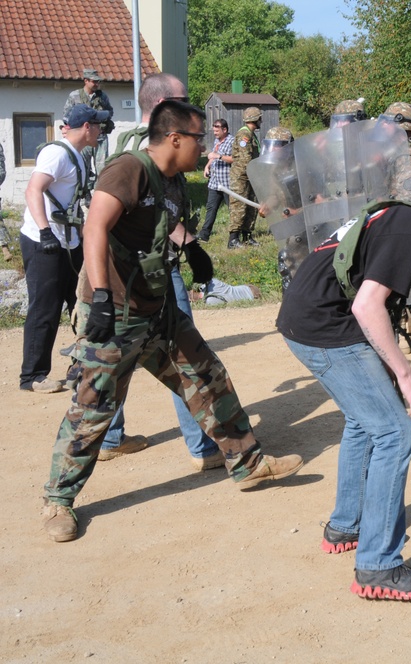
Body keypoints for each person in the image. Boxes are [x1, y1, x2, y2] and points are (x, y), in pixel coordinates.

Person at [40, 100, 303, 543]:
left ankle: (248, 463)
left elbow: (164, 223)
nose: (204, 149)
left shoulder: (173, 180)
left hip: (158, 310)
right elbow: (96, 229)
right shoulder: (129, 169)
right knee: (93, 407)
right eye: (199, 139)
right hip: (116, 314)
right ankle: (57, 501)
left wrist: (192, 246)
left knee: (208, 376)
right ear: (174, 137)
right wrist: (101, 297)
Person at [277, 144, 411, 600]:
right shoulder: (409, 225)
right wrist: (405, 374)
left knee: (363, 421)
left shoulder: (401, 216)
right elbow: (368, 305)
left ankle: (345, 527)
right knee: (395, 433)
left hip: (309, 319)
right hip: (326, 327)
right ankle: (378, 568)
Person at [98, 73, 226, 471]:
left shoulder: (132, 143)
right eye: (183, 100)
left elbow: (157, 213)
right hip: (140, 275)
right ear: (162, 109)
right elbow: (102, 222)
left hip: (146, 267)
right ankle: (203, 447)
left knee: (122, 358)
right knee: (180, 353)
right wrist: (101, 294)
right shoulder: (141, 155)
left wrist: (191, 244)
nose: (193, 113)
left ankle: (111, 435)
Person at [19, 104, 103, 394]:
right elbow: (34, 189)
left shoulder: (78, 156)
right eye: (98, 124)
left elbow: (72, 203)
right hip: (44, 240)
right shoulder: (57, 153)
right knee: (46, 309)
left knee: (81, 303)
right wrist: (44, 232)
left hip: (68, 242)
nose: (101, 130)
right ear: (87, 127)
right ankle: (32, 377)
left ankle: (81, 366)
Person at [63, 68, 115, 173]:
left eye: (98, 82)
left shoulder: (102, 96)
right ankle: (84, 189)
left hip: (99, 137)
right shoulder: (74, 96)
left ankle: (100, 189)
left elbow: (110, 112)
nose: (97, 84)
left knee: (102, 168)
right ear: (86, 81)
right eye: (94, 81)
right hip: (83, 138)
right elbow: (66, 116)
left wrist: (101, 117)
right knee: (82, 168)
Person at [228, 107, 262, 248]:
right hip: (242, 177)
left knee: (251, 206)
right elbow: (244, 159)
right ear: (255, 119)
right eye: (259, 118)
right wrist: (253, 172)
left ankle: (247, 236)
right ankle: (233, 239)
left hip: (250, 176)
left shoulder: (251, 134)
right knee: (239, 206)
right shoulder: (244, 134)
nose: (261, 120)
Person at [199, 118, 233, 242]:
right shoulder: (216, 141)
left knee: (233, 210)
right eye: (214, 131)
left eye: (217, 130)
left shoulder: (232, 141)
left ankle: (235, 236)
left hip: (227, 183)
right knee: (210, 208)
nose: (215, 133)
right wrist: (207, 166)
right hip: (214, 182)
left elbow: (235, 159)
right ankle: (204, 235)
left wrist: (219, 156)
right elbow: (213, 156)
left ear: (225, 129)